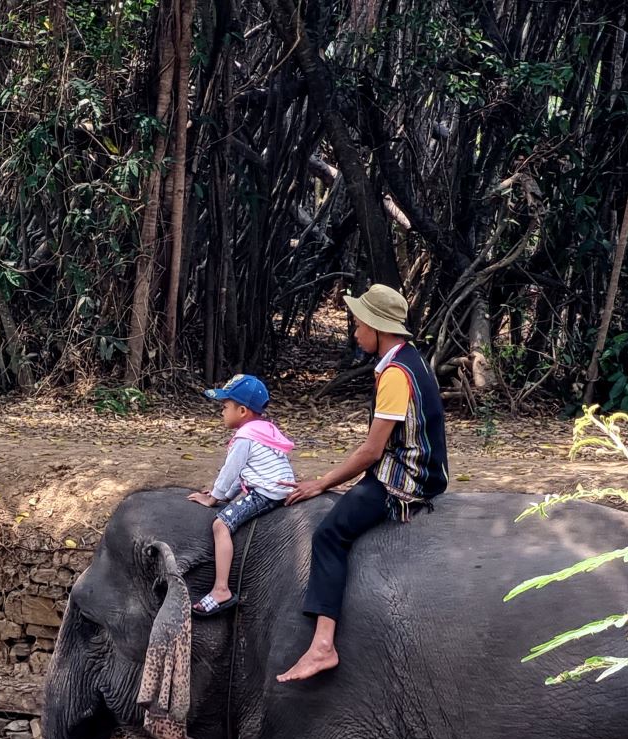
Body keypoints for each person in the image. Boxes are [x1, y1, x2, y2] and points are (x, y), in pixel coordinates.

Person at [276, 284, 447, 681]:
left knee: (329, 535)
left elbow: (371, 451)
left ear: (375, 326)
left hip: (405, 476)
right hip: (426, 468)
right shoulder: (411, 359)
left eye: (357, 324)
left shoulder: (394, 374)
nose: (355, 332)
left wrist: (321, 482)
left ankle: (322, 645)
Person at [187, 374, 296, 616]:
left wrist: (213, 497)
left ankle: (220, 589)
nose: (222, 412)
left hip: (267, 492)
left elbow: (231, 471)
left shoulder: (244, 437)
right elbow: (245, 474)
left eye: (225, 407)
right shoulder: (264, 430)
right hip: (280, 487)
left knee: (220, 525)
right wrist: (227, 495)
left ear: (243, 410)